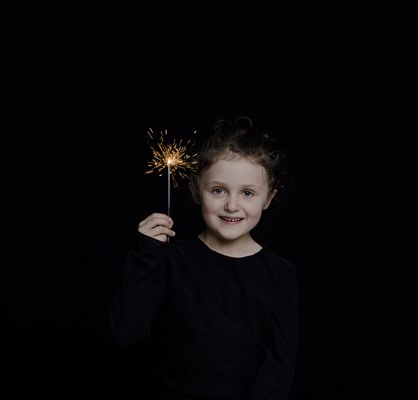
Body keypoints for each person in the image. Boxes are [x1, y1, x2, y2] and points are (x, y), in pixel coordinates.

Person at [110, 116, 299, 399]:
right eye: (218, 190)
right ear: (196, 191)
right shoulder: (172, 260)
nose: (232, 205)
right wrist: (145, 255)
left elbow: (279, 366)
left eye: (247, 193)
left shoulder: (279, 273)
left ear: (268, 199)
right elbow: (126, 332)